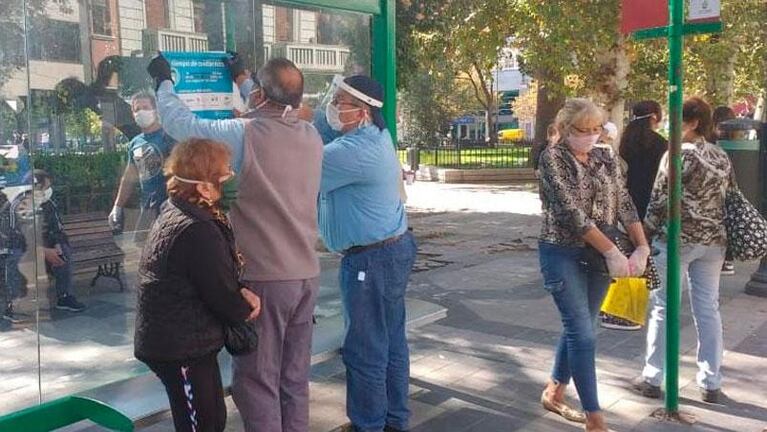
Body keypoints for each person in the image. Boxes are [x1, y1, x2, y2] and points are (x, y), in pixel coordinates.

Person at [149, 54, 323, 432]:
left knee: (257, 383)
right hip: (306, 276)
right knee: (293, 379)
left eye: (254, 90)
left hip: (266, 280)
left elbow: (183, 124)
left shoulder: (245, 135)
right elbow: (278, 103)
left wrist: (164, 83)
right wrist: (243, 79)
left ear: (259, 94)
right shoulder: (311, 136)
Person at [312, 76, 417, 432]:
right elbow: (322, 136)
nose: (333, 107)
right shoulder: (373, 135)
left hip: (370, 261)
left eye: (340, 102)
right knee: (390, 342)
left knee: (365, 348)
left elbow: (300, 163)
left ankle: (368, 424)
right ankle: (394, 420)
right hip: (389, 251)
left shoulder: (352, 151)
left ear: (362, 112)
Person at [538, 98, 649, 432]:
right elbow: (573, 215)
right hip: (562, 253)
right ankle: (595, 418)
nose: (589, 136)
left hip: (600, 255)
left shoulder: (606, 156)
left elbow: (625, 203)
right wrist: (614, 253)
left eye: (595, 129)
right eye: (581, 131)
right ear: (565, 129)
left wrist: (641, 246)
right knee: (582, 333)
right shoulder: (553, 158)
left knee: (581, 326)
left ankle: (555, 391)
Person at [134, 138, 261, 432]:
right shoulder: (197, 229)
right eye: (226, 173)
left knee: (212, 419)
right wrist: (245, 305)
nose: (232, 178)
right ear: (204, 187)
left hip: (187, 342)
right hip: (180, 348)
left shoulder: (180, 211)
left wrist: (238, 291)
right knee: (200, 424)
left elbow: (208, 277)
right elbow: (220, 294)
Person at [635, 97, 736, 404]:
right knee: (708, 308)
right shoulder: (720, 156)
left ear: (693, 123)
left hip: (678, 239)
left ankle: (653, 377)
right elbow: (730, 197)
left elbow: (659, 199)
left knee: (664, 306)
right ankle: (710, 381)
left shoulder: (676, 155)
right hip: (713, 241)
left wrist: (643, 236)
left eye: (677, 120)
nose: (670, 126)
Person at [600, 101, 668, 332]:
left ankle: (617, 305)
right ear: (655, 116)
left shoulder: (628, 140)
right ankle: (623, 310)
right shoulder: (661, 144)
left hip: (630, 201)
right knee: (641, 256)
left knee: (628, 251)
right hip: (651, 201)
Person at [109, 92, 176, 237]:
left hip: (170, 206)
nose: (141, 112)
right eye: (137, 109)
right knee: (145, 249)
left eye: (145, 107)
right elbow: (129, 178)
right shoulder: (135, 143)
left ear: (155, 110)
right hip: (147, 207)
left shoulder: (169, 136)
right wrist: (118, 206)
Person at [34, 170, 86, 312]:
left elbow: (57, 227)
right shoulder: (19, 206)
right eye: (45, 187)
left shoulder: (49, 204)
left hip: (48, 246)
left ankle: (64, 297)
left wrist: (58, 245)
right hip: (28, 249)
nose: (48, 190)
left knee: (64, 254)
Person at [712, 105, 737, 276]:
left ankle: (723, 259)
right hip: (731, 189)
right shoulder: (738, 141)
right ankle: (728, 259)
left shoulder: (711, 142)